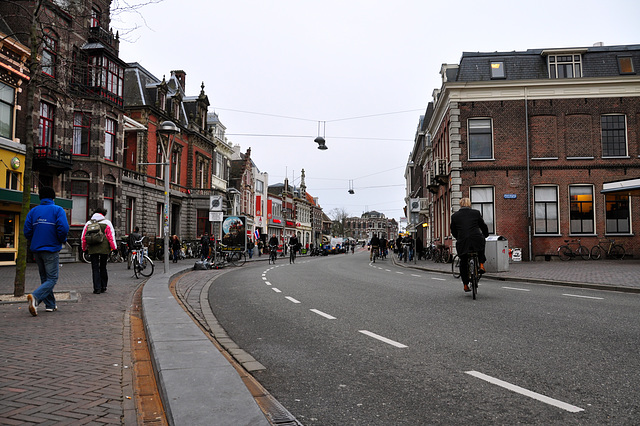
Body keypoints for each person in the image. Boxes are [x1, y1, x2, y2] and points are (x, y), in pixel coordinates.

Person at [23, 186, 69, 316]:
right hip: (51, 248)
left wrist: (35, 239)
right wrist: (61, 239)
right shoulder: (57, 210)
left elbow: (27, 231)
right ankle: (36, 298)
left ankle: (50, 305)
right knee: (52, 278)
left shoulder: (33, 211)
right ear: (53, 197)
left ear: (40, 198)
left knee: (45, 278)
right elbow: (64, 228)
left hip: (37, 249)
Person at [450, 197, 489, 292]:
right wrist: (485, 235)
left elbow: (453, 230)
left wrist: (458, 237)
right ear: (469, 204)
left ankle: (465, 284)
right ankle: (481, 264)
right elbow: (483, 225)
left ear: (460, 204)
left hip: (463, 241)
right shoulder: (476, 213)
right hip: (476, 238)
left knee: (463, 261)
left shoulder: (455, 216)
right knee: (481, 246)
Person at [82, 207, 117, 294]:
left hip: (92, 248)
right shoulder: (107, 223)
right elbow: (111, 237)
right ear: (103, 214)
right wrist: (114, 248)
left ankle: (96, 288)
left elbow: (83, 238)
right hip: (104, 248)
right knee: (103, 267)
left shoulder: (88, 223)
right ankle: (103, 286)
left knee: (95, 268)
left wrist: (84, 248)